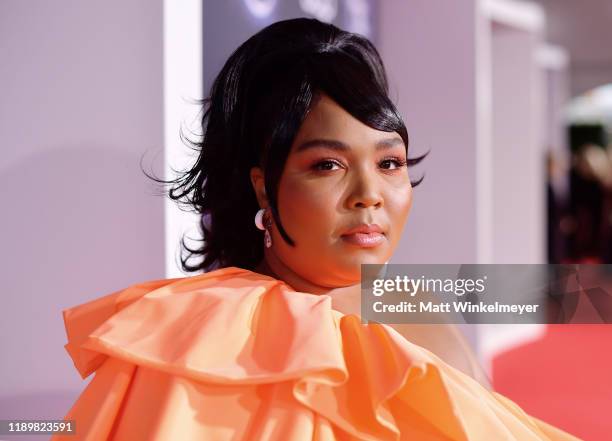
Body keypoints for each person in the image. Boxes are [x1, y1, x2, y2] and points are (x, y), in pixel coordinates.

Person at [52, 18, 582, 441]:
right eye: (327, 164)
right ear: (263, 188)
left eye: (390, 163)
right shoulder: (202, 335)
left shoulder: (419, 311)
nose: (369, 194)